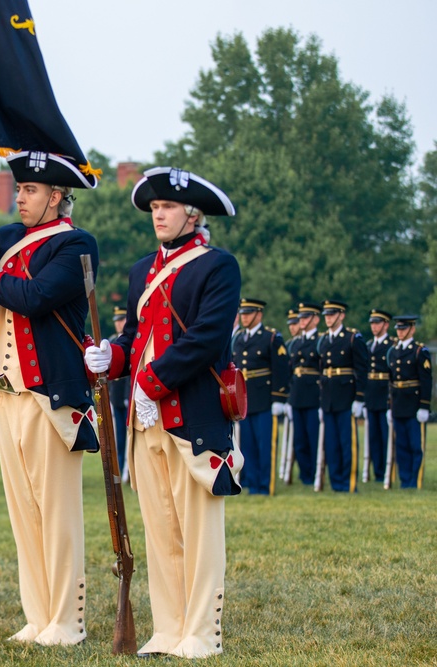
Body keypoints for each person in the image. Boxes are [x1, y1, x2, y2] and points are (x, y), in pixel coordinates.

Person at [0, 149, 98, 646]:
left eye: (32, 191)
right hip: (7, 392)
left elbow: (35, 297)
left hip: (48, 394)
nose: (23, 199)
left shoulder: (76, 244)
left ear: (57, 197)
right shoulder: (11, 238)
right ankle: (39, 616)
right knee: (23, 513)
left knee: (55, 513)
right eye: (22, 190)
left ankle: (68, 619)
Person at [85, 166, 241, 658]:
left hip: (190, 415)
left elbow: (206, 339)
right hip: (145, 418)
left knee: (197, 530)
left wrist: (150, 381)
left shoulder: (217, 266)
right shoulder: (140, 271)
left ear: (192, 214)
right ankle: (169, 628)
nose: (159, 215)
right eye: (154, 208)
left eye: (168, 207)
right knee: (159, 529)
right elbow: (135, 338)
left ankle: (201, 633)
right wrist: (112, 357)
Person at [231, 298, 288, 495]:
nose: (244, 317)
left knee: (266, 446)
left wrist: (279, 398)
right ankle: (252, 483)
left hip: (265, 399)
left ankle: (266, 485)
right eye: (243, 313)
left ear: (259, 314)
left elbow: (281, 370)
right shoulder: (238, 338)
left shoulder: (271, 337)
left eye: (248, 313)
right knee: (248, 445)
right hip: (245, 401)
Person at [316, 299, 367, 492]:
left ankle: (349, 481)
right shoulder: (324, 340)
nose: (328, 318)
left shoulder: (352, 338)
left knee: (347, 443)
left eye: (332, 315)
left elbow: (362, 369)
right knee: (331, 443)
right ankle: (336, 481)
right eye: (326, 315)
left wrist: (360, 398)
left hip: (346, 397)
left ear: (341, 315)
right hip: (328, 397)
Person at [387, 315, 431, 489]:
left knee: (415, 445)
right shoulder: (393, 351)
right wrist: (389, 405)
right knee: (401, 445)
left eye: (404, 328)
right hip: (398, 403)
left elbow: (426, 380)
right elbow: (390, 381)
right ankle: (405, 480)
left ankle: (415, 479)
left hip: (413, 404)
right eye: (398, 328)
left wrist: (424, 406)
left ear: (412, 329)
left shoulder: (420, 351)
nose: (400, 332)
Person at [287, 303, 323, 485]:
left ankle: (315, 472)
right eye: (300, 317)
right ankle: (305, 474)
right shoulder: (295, 343)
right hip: (297, 395)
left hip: (313, 394)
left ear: (316, 319)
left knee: (313, 437)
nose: (301, 321)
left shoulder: (320, 341)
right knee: (299, 439)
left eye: (305, 317)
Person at [364, 309, 393, 482]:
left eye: (377, 323)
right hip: (371, 393)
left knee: (385, 434)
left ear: (386, 325)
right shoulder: (368, 345)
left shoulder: (392, 345)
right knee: (373, 435)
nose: (374, 326)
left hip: (385, 393)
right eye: (372, 323)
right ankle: (377, 471)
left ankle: (387, 469)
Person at [109, 306, 130, 478]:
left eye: (122, 320)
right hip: (115, 398)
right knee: (118, 438)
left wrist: (126, 396)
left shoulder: (129, 342)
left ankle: (128, 470)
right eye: (117, 321)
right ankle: (120, 467)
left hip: (127, 397)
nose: (119, 324)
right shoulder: (112, 341)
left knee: (129, 437)